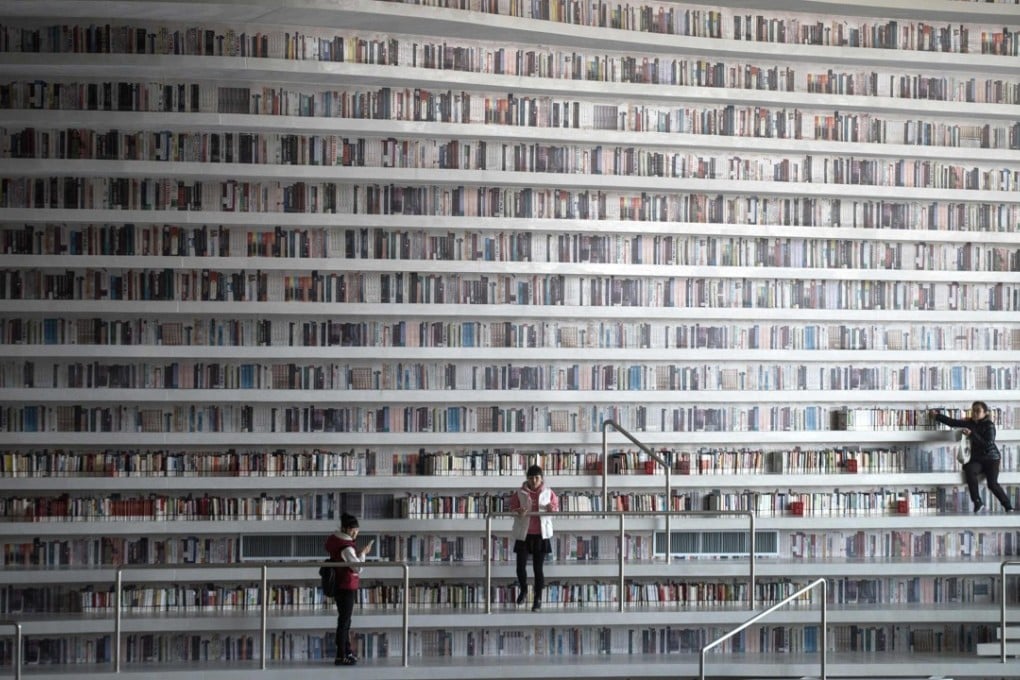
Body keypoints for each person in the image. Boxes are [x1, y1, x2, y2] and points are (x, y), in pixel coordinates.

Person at [930, 402, 1013, 513]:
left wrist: (971, 434)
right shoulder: (970, 423)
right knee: (969, 470)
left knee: (992, 484)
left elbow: (988, 444)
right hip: (977, 459)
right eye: (973, 410)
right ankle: (977, 502)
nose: (974, 413)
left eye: (978, 411)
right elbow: (952, 422)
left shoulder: (989, 425)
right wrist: (937, 416)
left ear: (985, 413)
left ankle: (1008, 506)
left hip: (991, 458)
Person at [325, 512, 374, 665]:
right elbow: (358, 568)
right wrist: (363, 554)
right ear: (346, 529)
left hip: (340, 584)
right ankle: (342, 655)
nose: (355, 535)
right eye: (353, 531)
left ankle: (346, 652)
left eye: (357, 532)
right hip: (346, 586)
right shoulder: (346, 547)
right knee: (345, 622)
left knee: (344, 621)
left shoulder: (336, 541)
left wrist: (357, 554)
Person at [509, 464, 559, 611]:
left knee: (538, 569)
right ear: (527, 479)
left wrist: (552, 509)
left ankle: (537, 598)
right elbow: (512, 508)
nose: (534, 481)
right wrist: (518, 511)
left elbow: (555, 508)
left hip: (540, 535)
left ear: (541, 478)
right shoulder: (519, 493)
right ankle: (524, 590)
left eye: (537, 478)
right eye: (531, 478)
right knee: (520, 566)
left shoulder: (549, 492)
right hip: (524, 534)